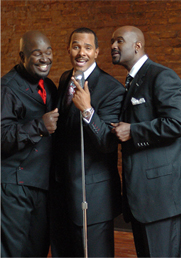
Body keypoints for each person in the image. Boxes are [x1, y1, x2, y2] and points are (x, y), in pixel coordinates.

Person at [111, 25, 181, 257]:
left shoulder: (161, 75)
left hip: (163, 199)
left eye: (119, 41)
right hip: (145, 199)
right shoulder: (133, 80)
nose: (113, 46)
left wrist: (133, 131)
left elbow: (179, 123)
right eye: (112, 42)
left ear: (137, 46)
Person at [49, 27, 124, 257]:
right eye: (76, 46)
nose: (81, 52)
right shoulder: (65, 79)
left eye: (88, 48)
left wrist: (88, 111)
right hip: (60, 192)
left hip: (92, 197)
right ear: (68, 49)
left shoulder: (112, 89)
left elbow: (108, 144)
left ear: (97, 52)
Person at [1, 31, 58, 257]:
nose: (45, 58)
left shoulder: (50, 86)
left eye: (48, 52)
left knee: (37, 249)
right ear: (22, 56)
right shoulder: (7, 88)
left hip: (41, 185)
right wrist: (38, 126)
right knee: (14, 251)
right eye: (37, 53)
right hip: (14, 185)